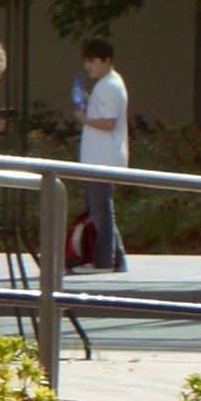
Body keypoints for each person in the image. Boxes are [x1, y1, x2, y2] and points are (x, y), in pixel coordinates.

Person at [73, 35, 129, 270]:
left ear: (107, 60)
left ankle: (104, 260)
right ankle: (117, 258)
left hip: (103, 159)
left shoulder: (111, 86)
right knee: (101, 208)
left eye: (93, 61)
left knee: (100, 209)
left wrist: (84, 118)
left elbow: (108, 122)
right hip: (99, 157)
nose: (89, 66)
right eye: (87, 61)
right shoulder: (105, 84)